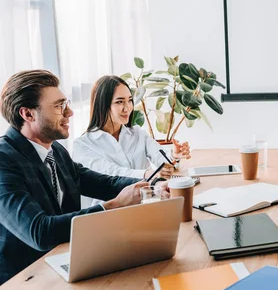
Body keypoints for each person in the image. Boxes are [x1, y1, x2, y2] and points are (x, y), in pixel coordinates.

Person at [0, 70, 169, 285]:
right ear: (28, 114)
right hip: (22, 283)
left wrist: (152, 187)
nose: (69, 112)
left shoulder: (57, 152)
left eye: (66, 103)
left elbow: (103, 183)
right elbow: (39, 231)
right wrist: (113, 206)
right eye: (59, 106)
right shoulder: (4, 161)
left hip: (64, 263)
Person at [72, 75, 191, 206]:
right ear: (103, 105)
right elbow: (112, 173)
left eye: (129, 100)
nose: (127, 108)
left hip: (145, 205)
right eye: (119, 102)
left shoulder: (138, 134)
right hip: (108, 215)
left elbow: (160, 156)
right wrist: (147, 174)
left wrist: (174, 157)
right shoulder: (83, 145)